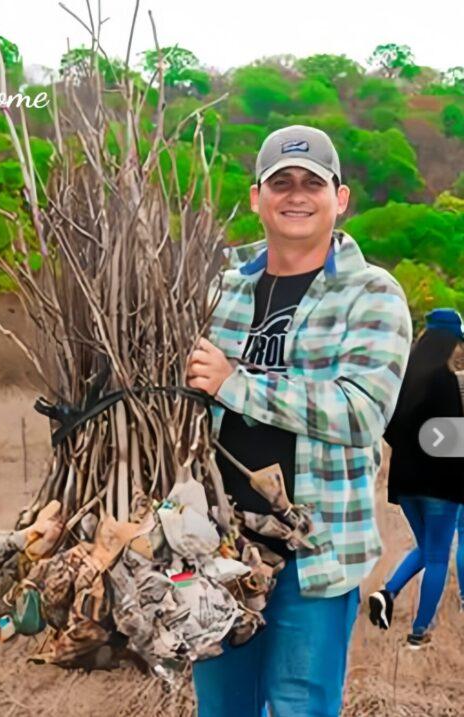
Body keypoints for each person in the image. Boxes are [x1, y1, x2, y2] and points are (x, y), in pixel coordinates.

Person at [185, 125, 412, 717]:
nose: (296, 194)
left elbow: (360, 411)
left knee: (300, 708)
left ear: (339, 199)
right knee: (221, 710)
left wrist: (238, 384)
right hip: (219, 547)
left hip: (316, 551)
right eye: (279, 182)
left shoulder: (372, 294)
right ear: (257, 198)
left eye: (312, 182)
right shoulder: (218, 291)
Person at [368, 308, 464, 647]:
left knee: (426, 548)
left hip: (406, 484)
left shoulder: (403, 377)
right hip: (441, 485)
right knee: (438, 557)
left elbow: (389, 428)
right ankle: (418, 635)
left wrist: (413, 452)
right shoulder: (444, 379)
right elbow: (454, 440)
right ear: (450, 342)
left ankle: (387, 592)